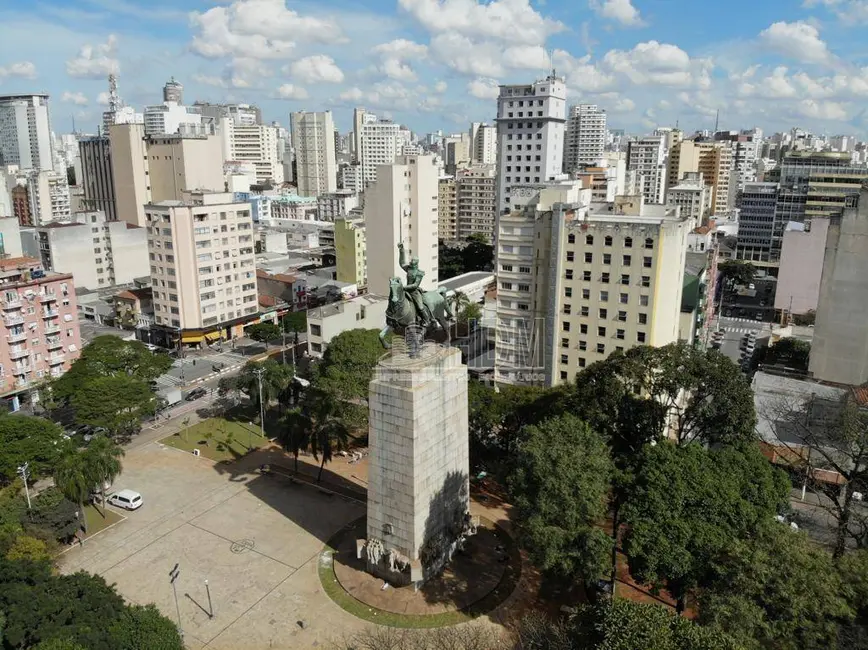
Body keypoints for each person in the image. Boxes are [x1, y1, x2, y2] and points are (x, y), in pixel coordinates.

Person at [398, 242, 432, 327]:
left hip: (414, 292)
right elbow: (402, 263)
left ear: (417, 262)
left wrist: (403, 287)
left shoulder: (419, 273)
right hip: (406, 290)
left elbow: (415, 285)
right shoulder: (409, 269)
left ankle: (427, 320)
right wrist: (401, 250)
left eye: (413, 260)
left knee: (420, 307)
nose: (411, 261)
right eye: (411, 260)